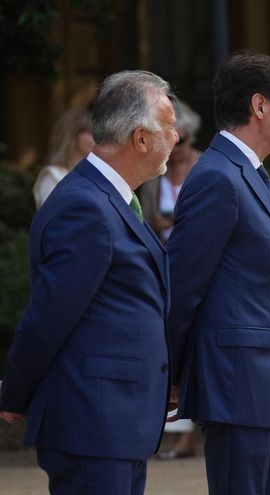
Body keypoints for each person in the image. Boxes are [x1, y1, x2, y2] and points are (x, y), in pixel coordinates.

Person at [0, 70, 177, 494]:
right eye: (170, 128)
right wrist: (15, 393)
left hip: (116, 422)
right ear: (140, 138)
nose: (176, 139)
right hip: (93, 423)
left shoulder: (110, 199)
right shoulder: (86, 207)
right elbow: (49, 316)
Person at [166, 52, 270, 495]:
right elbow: (182, 286)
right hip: (240, 391)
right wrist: (169, 373)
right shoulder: (218, 177)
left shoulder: (249, 173)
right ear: (259, 105)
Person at [139, 99, 202, 243]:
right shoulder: (154, 170)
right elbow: (142, 223)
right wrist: (154, 225)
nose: (174, 148)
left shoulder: (206, 166)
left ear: (191, 136)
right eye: (168, 141)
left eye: (179, 141)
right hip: (163, 252)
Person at [33, 106, 94, 208]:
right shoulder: (52, 176)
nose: (96, 139)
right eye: (90, 132)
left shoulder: (91, 174)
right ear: (72, 137)